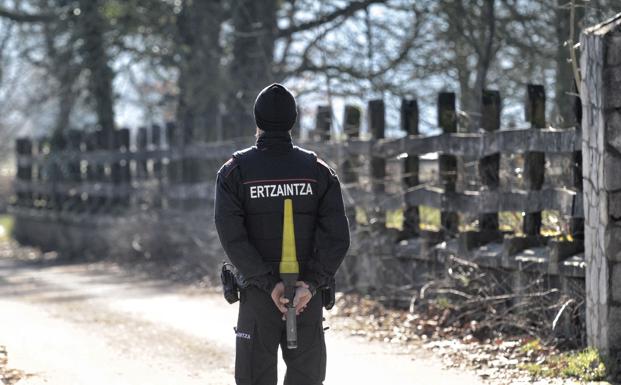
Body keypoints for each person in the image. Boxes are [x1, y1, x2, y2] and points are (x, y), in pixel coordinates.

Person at [214, 83, 350, 385]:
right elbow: (337, 238)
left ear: (257, 121)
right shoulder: (318, 171)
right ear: (293, 119)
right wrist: (311, 285)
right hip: (305, 297)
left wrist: (267, 283)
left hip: (258, 295)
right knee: (307, 377)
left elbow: (231, 236)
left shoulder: (234, 171)